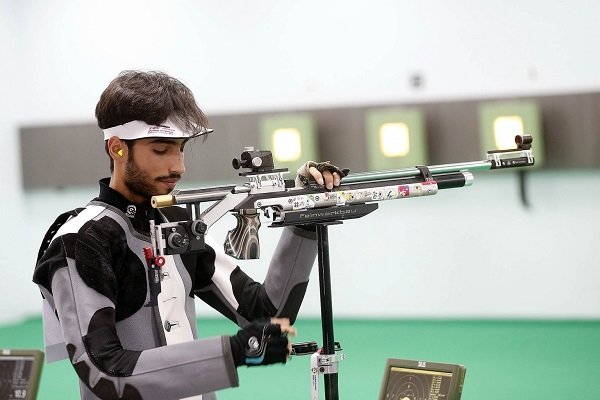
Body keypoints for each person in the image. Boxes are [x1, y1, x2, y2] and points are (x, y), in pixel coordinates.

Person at [33, 70, 346, 400]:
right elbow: (105, 373)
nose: (178, 166)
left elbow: (265, 311)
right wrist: (234, 351)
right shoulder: (83, 239)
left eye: (180, 149)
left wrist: (306, 217)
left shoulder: (174, 221)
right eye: (160, 150)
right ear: (117, 149)